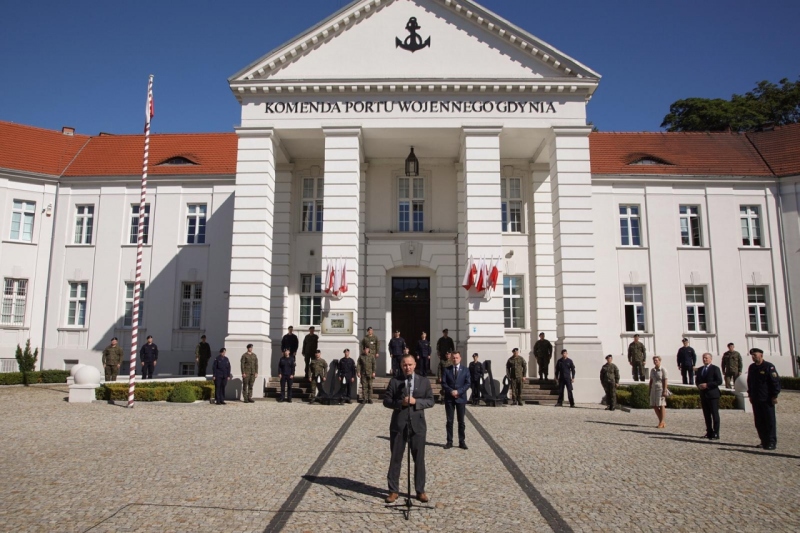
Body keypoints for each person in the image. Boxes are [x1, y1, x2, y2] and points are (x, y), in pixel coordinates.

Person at [383, 353, 434, 504]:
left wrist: (416, 402)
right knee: (396, 458)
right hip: (399, 425)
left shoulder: (424, 381)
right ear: (401, 366)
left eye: (410, 364)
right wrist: (401, 404)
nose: (407, 367)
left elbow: (431, 401)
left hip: (417, 425)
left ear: (415, 365)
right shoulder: (395, 381)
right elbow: (386, 401)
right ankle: (393, 491)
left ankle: (420, 490)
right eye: (405, 365)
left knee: (419, 459)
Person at [746, 348, 781, 450]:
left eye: (755, 355)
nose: (753, 357)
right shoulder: (752, 367)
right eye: (752, 355)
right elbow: (750, 383)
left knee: (769, 421)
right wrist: (750, 395)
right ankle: (764, 441)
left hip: (767, 399)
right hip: (756, 399)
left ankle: (771, 442)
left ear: (761, 355)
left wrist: (774, 395)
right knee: (759, 422)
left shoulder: (769, 367)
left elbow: (775, 382)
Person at [442, 351, 471, 449]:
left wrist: (458, 391)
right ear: (451, 359)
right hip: (449, 398)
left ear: (460, 358)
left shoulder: (465, 370)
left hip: (461, 398)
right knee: (449, 421)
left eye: (457, 357)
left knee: (461, 421)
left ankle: (461, 441)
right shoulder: (446, 370)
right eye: (453, 358)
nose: (455, 359)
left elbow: (468, 383)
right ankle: (449, 441)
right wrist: (451, 391)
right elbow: (444, 383)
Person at [695, 352, 722, 440]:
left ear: (711, 359)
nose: (704, 359)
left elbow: (719, 381)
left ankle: (716, 433)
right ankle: (709, 432)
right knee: (706, 415)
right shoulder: (700, 369)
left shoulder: (715, 368)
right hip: (704, 395)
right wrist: (699, 385)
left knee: (714, 414)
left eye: (706, 358)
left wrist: (707, 385)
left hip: (713, 395)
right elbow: (697, 380)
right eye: (703, 358)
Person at [649, 356, 668, 428]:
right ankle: (661, 421)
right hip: (653, 388)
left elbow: (665, 380)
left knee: (661, 404)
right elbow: (651, 380)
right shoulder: (652, 370)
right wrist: (649, 389)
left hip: (660, 388)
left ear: (660, 361)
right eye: (654, 360)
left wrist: (665, 390)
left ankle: (661, 422)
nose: (655, 361)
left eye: (656, 360)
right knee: (654, 405)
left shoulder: (663, 370)